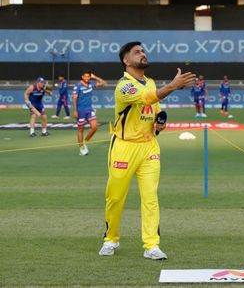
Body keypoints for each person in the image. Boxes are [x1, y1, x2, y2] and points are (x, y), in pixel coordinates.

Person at [99, 41, 196, 260]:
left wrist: (159, 122)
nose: (143, 54)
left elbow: (154, 107)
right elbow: (146, 98)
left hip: (149, 146)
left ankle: (151, 245)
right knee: (115, 198)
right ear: (126, 61)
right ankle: (111, 239)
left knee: (150, 197)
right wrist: (172, 86)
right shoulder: (124, 85)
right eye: (137, 52)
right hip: (124, 147)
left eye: (143, 51)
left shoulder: (150, 82)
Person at [72, 70, 106, 156]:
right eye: (85, 76)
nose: (87, 78)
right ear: (82, 77)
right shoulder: (78, 86)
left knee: (94, 127)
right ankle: (81, 148)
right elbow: (74, 98)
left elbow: (103, 83)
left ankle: (85, 142)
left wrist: (95, 77)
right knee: (80, 129)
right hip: (80, 111)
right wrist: (75, 110)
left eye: (88, 76)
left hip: (89, 110)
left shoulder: (91, 84)